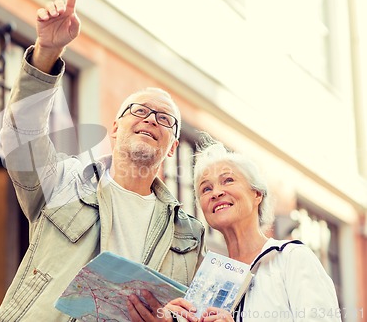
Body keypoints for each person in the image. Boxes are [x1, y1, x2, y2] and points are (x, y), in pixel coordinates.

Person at [0, 0, 205, 321]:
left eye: (164, 118)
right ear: (116, 128)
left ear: (172, 148)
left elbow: (194, 312)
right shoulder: (61, 183)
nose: (150, 119)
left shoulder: (190, 234)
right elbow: (21, 136)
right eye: (139, 110)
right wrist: (47, 53)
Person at [144, 132, 341, 322]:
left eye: (228, 180)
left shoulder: (292, 258)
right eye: (206, 188)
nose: (216, 193)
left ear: (257, 194)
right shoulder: (207, 281)